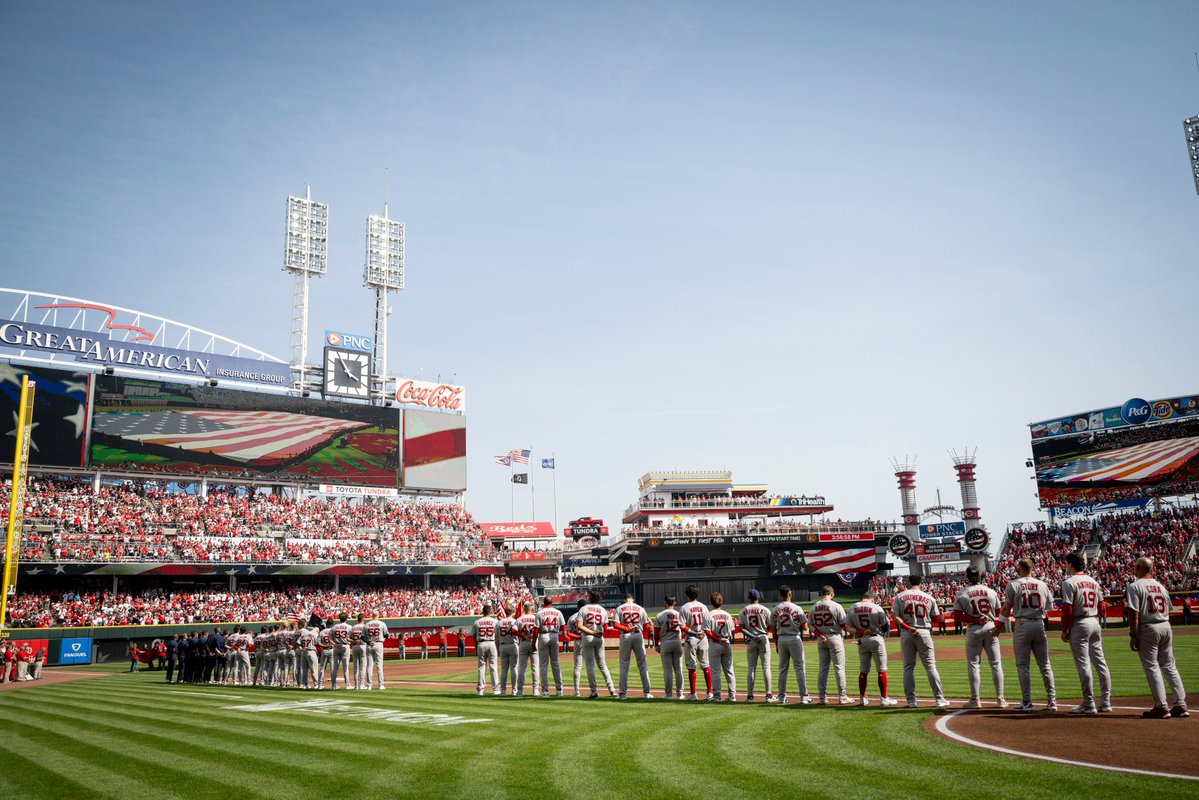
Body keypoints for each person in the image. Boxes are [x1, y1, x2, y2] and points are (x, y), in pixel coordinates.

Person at [1126, 557, 1189, 718]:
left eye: (1136, 566)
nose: (1134, 568)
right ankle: (1181, 704)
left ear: (1140, 568)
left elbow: (1134, 612)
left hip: (1149, 627)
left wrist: (1133, 634)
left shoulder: (1134, 586)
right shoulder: (1161, 586)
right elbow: (1169, 608)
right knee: (1169, 666)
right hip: (1165, 625)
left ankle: (1161, 706)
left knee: (1152, 666)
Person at [1001, 558, 1057, 712]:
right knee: (1045, 665)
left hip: (1023, 623)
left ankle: (1027, 702)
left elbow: (1006, 609)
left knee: (1023, 666)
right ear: (1033, 568)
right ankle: (1052, 701)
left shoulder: (1013, 585)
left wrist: (998, 626)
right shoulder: (1042, 584)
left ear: (1019, 568)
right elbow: (1049, 608)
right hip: (1039, 623)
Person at [1059, 552, 1111, 715]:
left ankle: (1089, 702)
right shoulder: (1093, 581)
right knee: (1100, 662)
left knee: (1084, 664)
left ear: (1071, 564)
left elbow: (1067, 608)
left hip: (1080, 623)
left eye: (1067, 563)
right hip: (1094, 621)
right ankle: (1106, 702)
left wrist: (1065, 629)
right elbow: (1102, 604)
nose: (1066, 566)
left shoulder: (1069, 582)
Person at [891, 575, 949, 708]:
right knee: (930, 666)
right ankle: (939, 699)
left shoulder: (900, 596)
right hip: (923, 631)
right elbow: (935, 618)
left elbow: (894, 615)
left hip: (907, 632)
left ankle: (911, 701)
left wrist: (907, 627)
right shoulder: (928, 597)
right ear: (921, 583)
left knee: (908, 667)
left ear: (908, 583)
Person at [953, 567, 1006, 709]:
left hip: (973, 629)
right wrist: (997, 627)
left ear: (967, 577)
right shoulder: (991, 591)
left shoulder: (962, 593)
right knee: (996, 664)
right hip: (990, 626)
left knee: (974, 665)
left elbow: (957, 616)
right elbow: (999, 612)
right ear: (981, 576)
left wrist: (975, 620)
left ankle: (975, 700)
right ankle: (1000, 698)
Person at [847, 590, 896, 706]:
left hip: (862, 639)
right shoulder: (877, 608)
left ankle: (862, 698)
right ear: (872, 599)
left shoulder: (852, 608)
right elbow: (885, 627)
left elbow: (848, 627)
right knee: (881, 669)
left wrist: (860, 631)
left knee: (863, 670)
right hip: (876, 638)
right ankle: (884, 698)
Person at [810, 585, 850, 704]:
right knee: (839, 667)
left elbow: (810, 625)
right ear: (832, 594)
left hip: (821, 638)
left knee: (823, 668)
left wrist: (819, 634)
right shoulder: (836, 606)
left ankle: (822, 697)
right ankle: (842, 696)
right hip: (834, 637)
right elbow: (844, 624)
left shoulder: (814, 606)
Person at [771, 585, 811, 704]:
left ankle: (782, 696)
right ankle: (804, 696)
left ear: (780, 595)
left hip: (781, 639)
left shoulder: (775, 609)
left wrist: (777, 644)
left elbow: (773, 630)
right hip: (794, 638)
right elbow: (805, 627)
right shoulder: (797, 608)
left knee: (783, 668)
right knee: (799, 668)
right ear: (790, 594)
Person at [611, 592, 652, 700]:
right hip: (638, 635)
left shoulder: (620, 608)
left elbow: (615, 624)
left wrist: (627, 628)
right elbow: (647, 626)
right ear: (633, 599)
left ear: (625, 599)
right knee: (642, 665)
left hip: (625, 636)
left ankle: (623, 694)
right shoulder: (640, 608)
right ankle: (647, 693)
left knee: (624, 665)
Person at [577, 591, 616, 698]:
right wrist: (597, 632)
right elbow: (606, 628)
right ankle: (612, 689)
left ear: (589, 598)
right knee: (603, 665)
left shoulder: (584, 609)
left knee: (590, 665)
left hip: (588, 637)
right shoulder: (603, 610)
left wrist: (592, 632)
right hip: (599, 638)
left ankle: (594, 692)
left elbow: (579, 626)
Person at [679, 584, 715, 701]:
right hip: (703, 637)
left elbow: (682, 626)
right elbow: (708, 623)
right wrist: (702, 632)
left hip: (692, 638)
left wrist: (694, 633)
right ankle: (710, 693)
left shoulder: (684, 608)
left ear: (687, 595)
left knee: (691, 667)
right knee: (706, 665)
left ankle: (693, 694)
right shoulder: (704, 607)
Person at [738, 589, 773, 702]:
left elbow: (742, 628)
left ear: (749, 598)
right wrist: (764, 633)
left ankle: (750, 695)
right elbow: (771, 625)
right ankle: (768, 695)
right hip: (763, 638)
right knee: (766, 667)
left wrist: (753, 636)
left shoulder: (743, 610)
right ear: (758, 597)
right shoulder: (765, 610)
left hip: (751, 640)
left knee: (751, 668)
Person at [707, 592, 736, 702]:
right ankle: (732, 696)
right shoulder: (727, 615)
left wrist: (718, 639)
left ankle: (717, 696)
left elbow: (707, 632)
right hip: (726, 643)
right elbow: (732, 631)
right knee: (729, 671)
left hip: (715, 644)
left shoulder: (709, 615)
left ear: (711, 602)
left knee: (716, 672)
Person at [655, 595, 684, 700]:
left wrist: (656, 645)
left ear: (665, 603)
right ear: (674, 603)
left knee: (667, 670)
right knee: (679, 669)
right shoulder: (679, 614)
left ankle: (668, 695)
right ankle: (680, 694)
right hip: (677, 642)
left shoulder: (659, 615)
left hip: (666, 643)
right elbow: (684, 629)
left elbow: (656, 633)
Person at [536, 596, 566, 697]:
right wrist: (565, 636)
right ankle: (559, 689)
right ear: (552, 602)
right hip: (554, 635)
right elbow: (563, 627)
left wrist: (533, 643)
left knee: (543, 664)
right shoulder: (558, 612)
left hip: (543, 635)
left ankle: (545, 691)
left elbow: (536, 630)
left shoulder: (539, 612)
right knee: (556, 663)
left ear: (543, 602)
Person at [472, 604, 500, 696]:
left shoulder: (477, 622)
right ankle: (496, 689)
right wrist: (497, 647)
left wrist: (476, 648)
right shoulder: (495, 621)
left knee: (481, 667)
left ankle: (480, 690)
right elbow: (497, 636)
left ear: (483, 612)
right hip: (491, 643)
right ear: (490, 612)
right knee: (493, 667)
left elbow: (474, 636)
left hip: (481, 643)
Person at [515, 601, 541, 697]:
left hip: (523, 643)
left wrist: (522, 635)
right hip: (534, 642)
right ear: (532, 608)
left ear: (524, 609)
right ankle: (535, 690)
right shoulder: (535, 618)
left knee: (522, 668)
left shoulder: (519, 619)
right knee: (535, 667)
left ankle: (520, 690)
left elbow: (512, 630)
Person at [497, 601, 520, 695]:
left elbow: (496, 637)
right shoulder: (515, 621)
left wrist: (497, 647)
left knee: (504, 669)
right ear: (512, 612)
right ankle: (514, 690)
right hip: (512, 644)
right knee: (514, 668)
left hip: (502, 645)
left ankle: (503, 690)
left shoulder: (499, 622)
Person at [365, 612, 390, 691]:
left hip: (369, 644)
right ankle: (381, 685)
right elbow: (387, 635)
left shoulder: (367, 624)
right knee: (379, 665)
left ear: (372, 615)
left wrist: (369, 642)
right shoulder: (382, 623)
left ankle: (369, 685)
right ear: (378, 615)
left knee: (369, 666)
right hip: (378, 643)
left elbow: (362, 637)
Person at [330, 613, 353, 690]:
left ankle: (333, 685)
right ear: (346, 618)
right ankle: (347, 684)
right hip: (345, 646)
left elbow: (330, 639)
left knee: (335, 667)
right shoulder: (349, 627)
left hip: (336, 646)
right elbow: (351, 638)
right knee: (345, 667)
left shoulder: (334, 627)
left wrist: (335, 645)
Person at [351, 613, 368, 690]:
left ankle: (356, 685)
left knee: (356, 666)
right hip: (363, 646)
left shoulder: (353, 627)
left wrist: (355, 641)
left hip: (355, 646)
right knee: (362, 666)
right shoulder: (365, 627)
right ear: (363, 619)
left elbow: (347, 638)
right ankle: (361, 684)